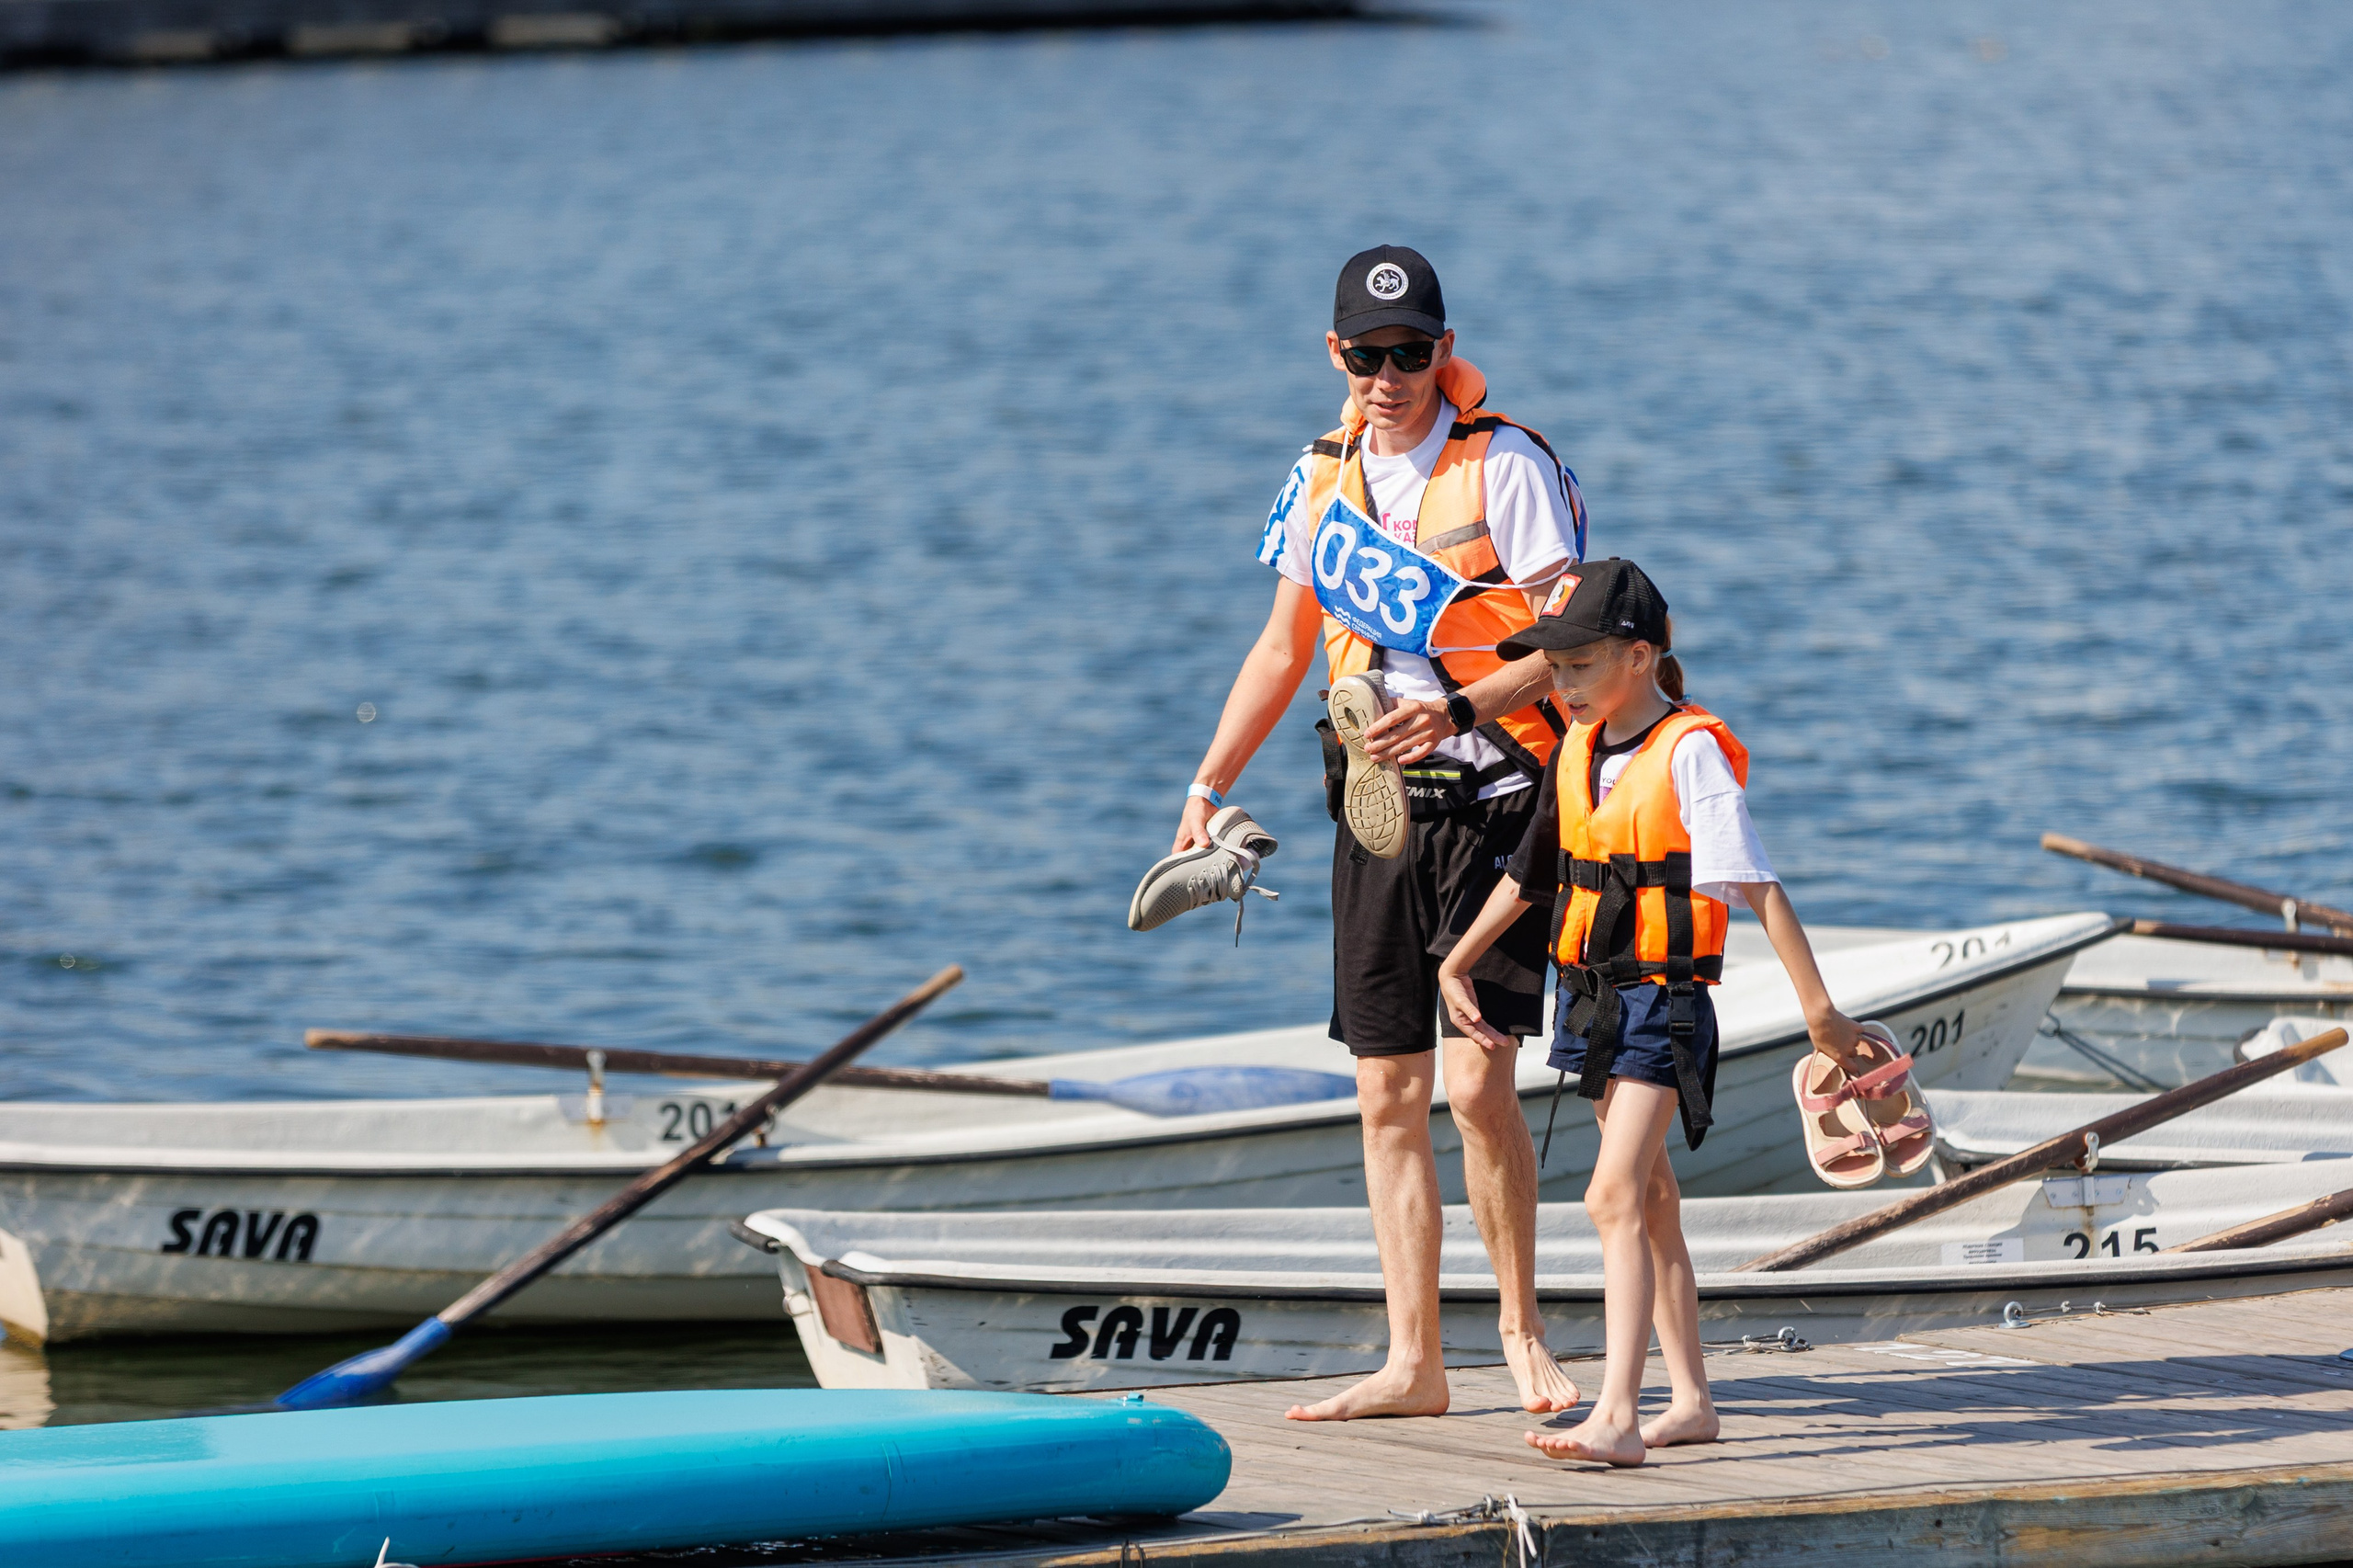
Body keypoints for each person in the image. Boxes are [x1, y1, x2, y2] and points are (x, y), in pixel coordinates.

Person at [1165, 245, 1589, 1420]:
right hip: (1374, 807)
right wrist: (1207, 781)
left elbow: (1572, 648)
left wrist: (1456, 706)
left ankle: (1518, 1330)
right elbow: (1280, 647)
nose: (1390, 376)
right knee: (1385, 1092)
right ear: (1335, 354)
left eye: (1412, 354)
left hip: (1500, 802)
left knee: (1475, 1081)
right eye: (1368, 356)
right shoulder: (1320, 477)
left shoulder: (1506, 466)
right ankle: (1414, 1361)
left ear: (1443, 351)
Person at [1436, 557, 1875, 1466]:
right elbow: (1530, 874)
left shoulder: (1691, 750)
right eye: (1552, 670)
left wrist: (1821, 1015)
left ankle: (1617, 1417)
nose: (1561, 684)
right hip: (1591, 995)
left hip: (1663, 1002)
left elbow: (1759, 887)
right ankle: (1693, 1402)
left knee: (1610, 1193)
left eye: (1579, 666)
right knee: (1653, 1200)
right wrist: (1459, 959)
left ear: (1639, 657)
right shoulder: (1579, 747)